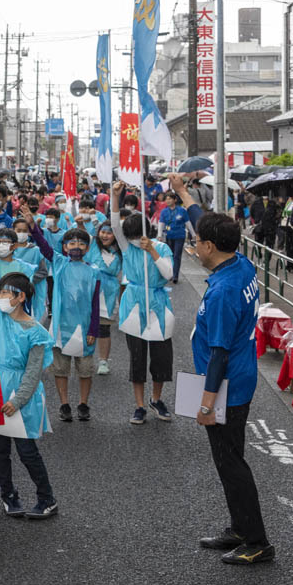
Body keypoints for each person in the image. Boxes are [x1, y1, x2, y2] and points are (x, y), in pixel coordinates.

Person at [169, 175, 273, 565]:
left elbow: (219, 354)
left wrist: (206, 403)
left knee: (232, 464)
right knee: (228, 461)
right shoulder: (240, 262)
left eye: (197, 241)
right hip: (239, 378)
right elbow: (203, 218)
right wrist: (182, 192)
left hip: (228, 384)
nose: (194, 244)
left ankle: (258, 540)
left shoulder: (226, 290)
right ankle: (239, 528)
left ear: (210, 246)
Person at [0, 272, 58, 519]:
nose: (2, 297)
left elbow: (33, 371)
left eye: (7, 292)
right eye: (1, 292)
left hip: (20, 397)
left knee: (27, 451)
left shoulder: (36, 332)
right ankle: (8, 496)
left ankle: (47, 498)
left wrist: (17, 401)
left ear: (21, 296)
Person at [111, 180, 175, 425]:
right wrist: (116, 196)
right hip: (134, 305)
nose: (136, 240)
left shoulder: (160, 247)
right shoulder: (127, 247)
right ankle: (139, 406)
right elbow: (115, 224)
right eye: (132, 236)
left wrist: (153, 251)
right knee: (137, 359)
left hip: (158, 303)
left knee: (160, 359)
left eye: (139, 235)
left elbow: (168, 274)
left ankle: (156, 399)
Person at [31, 225, 101, 422]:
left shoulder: (94, 271)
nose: (76, 246)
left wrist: (93, 329)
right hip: (61, 328)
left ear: (87, 248)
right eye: (71, 243)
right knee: (60, 369)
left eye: (81, 243)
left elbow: (95, 303)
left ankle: (83, 403)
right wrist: (33, 227)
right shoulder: (59, 263)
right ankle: (64, 404)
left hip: (85, 328)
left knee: (85, 370)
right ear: (64, 247)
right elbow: (44, 246)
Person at [87, 223, 122, 376]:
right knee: (85, 326)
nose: (105, 235)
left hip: (108, 294)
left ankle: (103, 360)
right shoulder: (93, 245)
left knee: (104, 329)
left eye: (109, 233)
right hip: (89, 290)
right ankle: (84, 357)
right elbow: (82, 233)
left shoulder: (120, 252)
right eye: (103, 232)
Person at [158, 192, 191, 284]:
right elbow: (161, 223)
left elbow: (187, 222)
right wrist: (159, 235)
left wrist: (193, 234)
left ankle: (175, 275)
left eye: (169, 199)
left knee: (177, 255)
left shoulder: (182, 210)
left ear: (175, 200)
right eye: (166, 199)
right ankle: (170, 274)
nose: (167, 201)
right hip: (168, 236)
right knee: (170, 256)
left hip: (179, 235)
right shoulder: (164, 211)